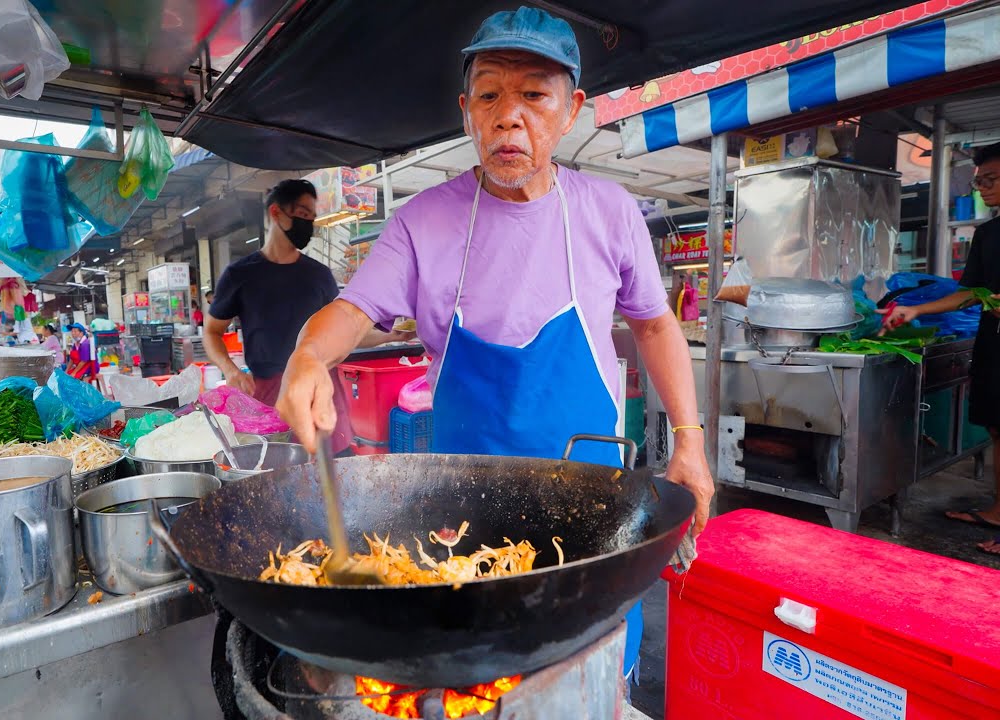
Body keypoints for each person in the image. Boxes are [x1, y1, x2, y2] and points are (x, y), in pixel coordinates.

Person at [274, 6, 714, 683]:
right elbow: (351, 309)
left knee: (589, 672)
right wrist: (308, 356)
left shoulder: (610, 211)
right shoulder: (422, 222)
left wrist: (689, 441)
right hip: (462, 512)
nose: (510, 116)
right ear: (466, 110)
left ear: (572, 110)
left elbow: (656, 326)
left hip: (593, 502)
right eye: (490, 95)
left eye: (535, 95)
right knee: (477, 669)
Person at [203, 179, 406, 454]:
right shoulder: (240, 275)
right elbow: (212, 332)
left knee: (336, 476)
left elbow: (347, 331)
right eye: (302, 214)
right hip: (268, 396)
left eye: (311, 217)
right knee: (276, 474)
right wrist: (230, 370)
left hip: (323, 390)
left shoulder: (319, 275)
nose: (307, 224)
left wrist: (391, 335)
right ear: (276, 213)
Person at [881, 142, 1000, 554]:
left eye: (991, 179)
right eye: (978, 181)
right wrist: (916, 311)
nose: (982, 188)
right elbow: (969, 293)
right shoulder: (987, 234)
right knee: (996, 426)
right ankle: (999, 510)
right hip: (993, 339)